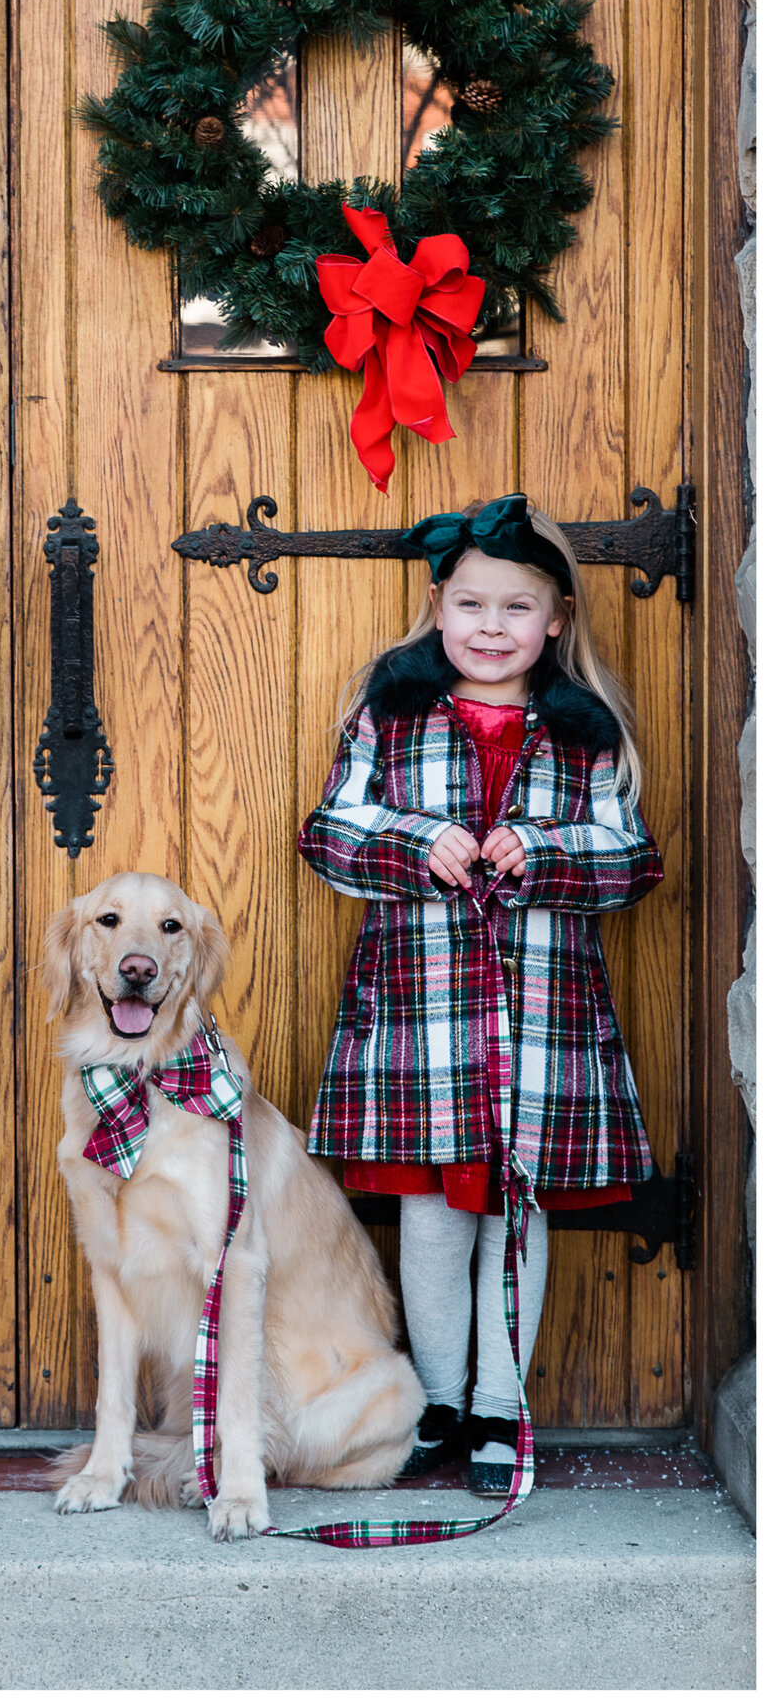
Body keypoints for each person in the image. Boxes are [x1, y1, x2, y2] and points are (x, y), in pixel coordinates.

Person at [300, 494, 660, 1497]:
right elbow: (328, 835)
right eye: (471, 605)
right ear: (437, 605)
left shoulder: (581, 731)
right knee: (429, 1212)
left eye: (515, 608)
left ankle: (502, 1404)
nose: (490, 629)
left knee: (516, 1207)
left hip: (542, 1018)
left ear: (555, 621)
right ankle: (435, 1400)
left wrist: (541, 851)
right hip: (422, 1018)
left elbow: (631, 860)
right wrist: (418, 841)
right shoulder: (391, 710)